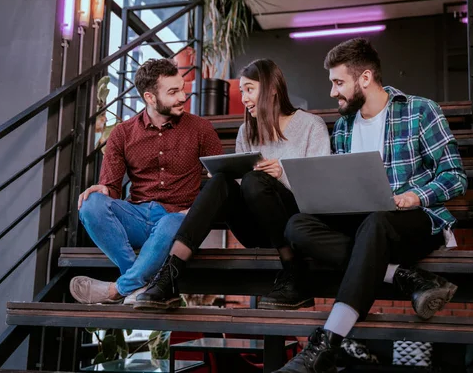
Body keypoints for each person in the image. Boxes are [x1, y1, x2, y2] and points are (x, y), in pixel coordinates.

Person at [274, 38, 467, 373]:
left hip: (415, 218)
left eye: (338, 82)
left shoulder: (420, 110)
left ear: (364, 78)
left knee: (378, 221)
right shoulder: (345, 127)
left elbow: (455, 176)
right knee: (296, 225)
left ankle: (326, 344)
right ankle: (405, 276)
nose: (333, 92)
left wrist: (415, 196)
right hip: (365, 223)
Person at [130, 58, 332, 310]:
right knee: (221, 181)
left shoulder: (311, 126)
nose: (245, 98)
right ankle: (171, 274)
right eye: (242, 91)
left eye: (249, 89)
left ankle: (294, 272)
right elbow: (239, 188)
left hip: (295, 226)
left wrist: (281, 173)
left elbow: (319, 193)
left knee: (256, 179)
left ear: (271, 88)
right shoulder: (246, 133)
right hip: (255, 228)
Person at [69, 58, 223, 305]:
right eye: (173, 92)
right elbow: (112, 188)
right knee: (91, 204)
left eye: (181, 89)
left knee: (171, 223)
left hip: (178, 218)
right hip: (137, 217)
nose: (182, 97)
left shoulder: (200, 129)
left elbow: (222, 181)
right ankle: (145, 284)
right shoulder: (122, 133)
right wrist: (103, 189)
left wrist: (197, 212)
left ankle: (118, 289)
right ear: (150, 98)